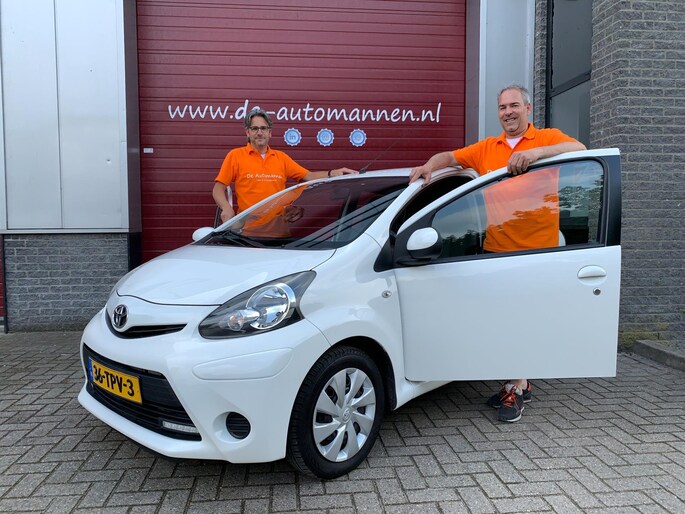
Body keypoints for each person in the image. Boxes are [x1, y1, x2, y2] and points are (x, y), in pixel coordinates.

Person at [409, 84, 586, 423]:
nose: (508, 112)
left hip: (536, 253)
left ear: (528, 109)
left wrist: (535, 155)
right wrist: (429, 166)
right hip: (497, 252)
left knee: (521, 322)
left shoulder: (546, 138)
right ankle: (521, 382)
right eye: (503, 107)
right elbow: (450, 157)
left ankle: (514, 388)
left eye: (514, 105)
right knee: (503, 322)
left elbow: (579, 148)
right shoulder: (488, 148)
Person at [213, 107, 356, 224]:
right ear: (247, 132)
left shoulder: (281, 158)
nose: (259, 133)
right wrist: (226, 208)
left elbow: (308, 176)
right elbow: (218, 189)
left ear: (270, 133)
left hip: (279, 233)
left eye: (263, 128)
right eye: (255, 128)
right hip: (247, 233)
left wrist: (333, 173)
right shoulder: (236, 156)